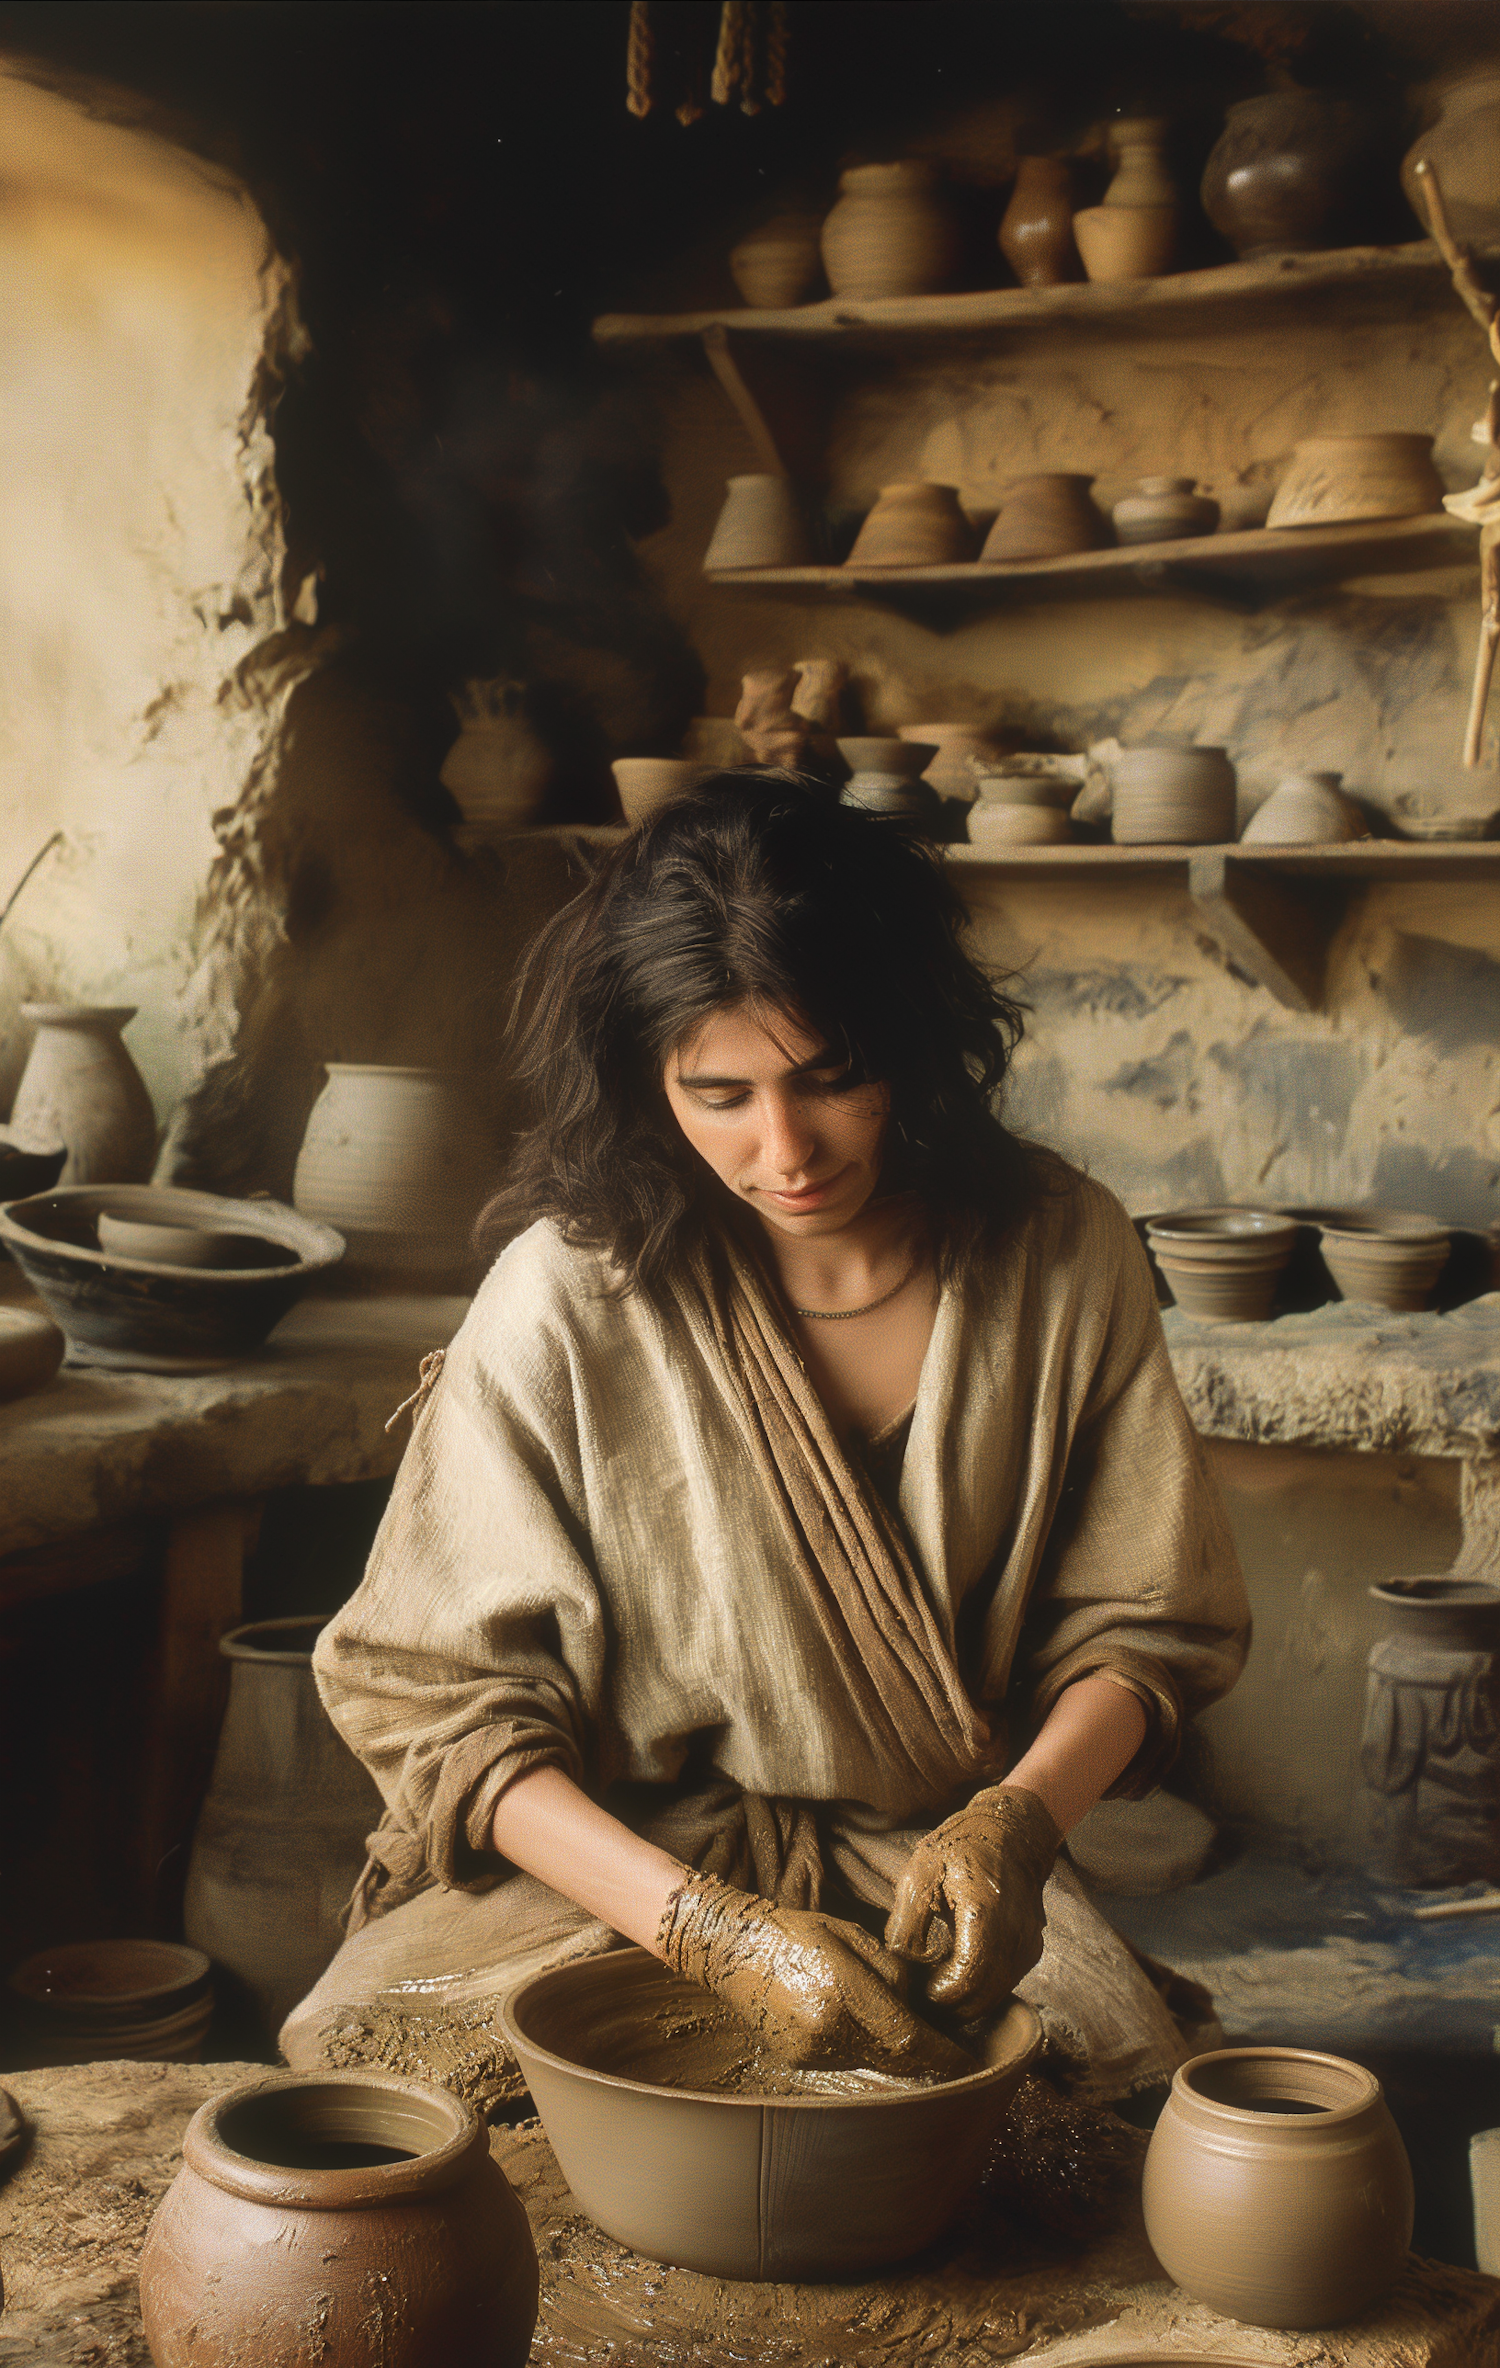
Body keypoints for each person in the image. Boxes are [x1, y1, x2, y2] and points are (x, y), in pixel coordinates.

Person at [282, 770, 1249, 2098]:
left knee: (1104, 2112)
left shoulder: (1059, 1250)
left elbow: (1148, 1629)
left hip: (929, 1875)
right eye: (718, 1093)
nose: (784, 1147)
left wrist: (1016, 1829)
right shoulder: (573, 1293)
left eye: (829, 1077)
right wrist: (710, 1932)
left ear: (910, 1035)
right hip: (621, 1876)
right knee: (383, 2090)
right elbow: (437, 1709)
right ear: (646, 1081)